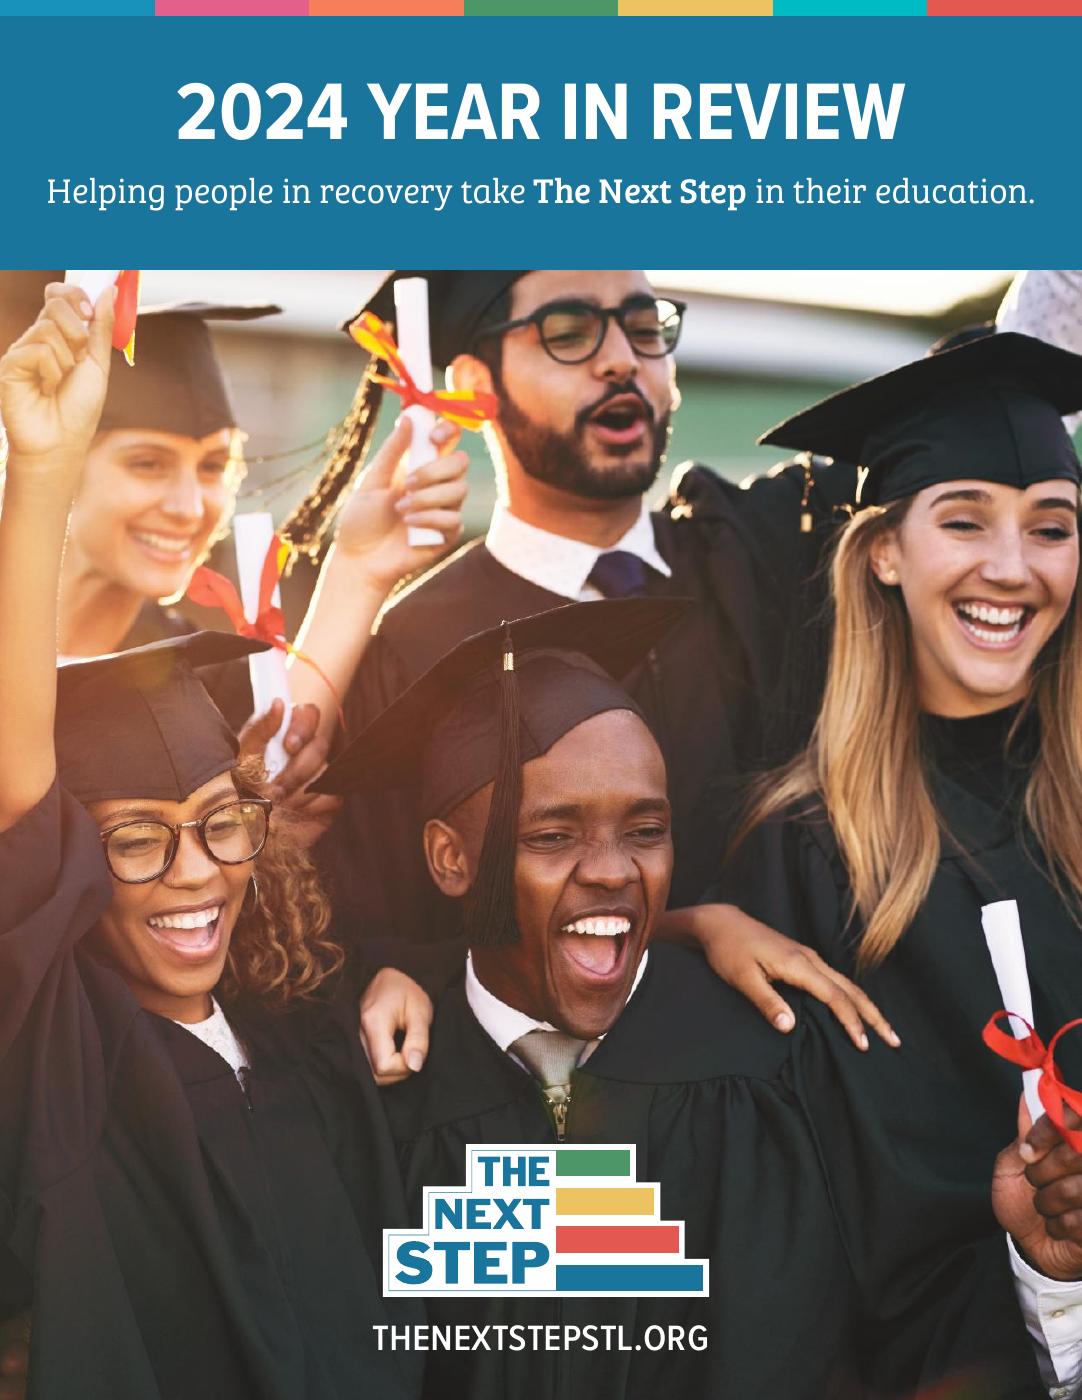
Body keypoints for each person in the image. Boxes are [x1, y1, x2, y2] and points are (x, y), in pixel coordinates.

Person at [313, 598, 1080, 1400]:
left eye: (646, 830)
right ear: (447, 860)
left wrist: (1042, 1274)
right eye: (552, 836)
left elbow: (928, 1323)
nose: (613, 871)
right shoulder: (379, 1098)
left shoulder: (788, 1058)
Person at [0, 281, 470, 1398]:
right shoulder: (71, 1043)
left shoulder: (184, 663)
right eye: (148, 459)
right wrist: (43, 470)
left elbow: (273, 762)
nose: (190, 500)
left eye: (215, 461)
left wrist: (356, 568)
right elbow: (22, 802)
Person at [305, 269, 892, 1084]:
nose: (622, 360)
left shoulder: (756, 561)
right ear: (474, 387)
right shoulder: (417, 642)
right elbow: (388, 923)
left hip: (791, 1099)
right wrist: (686, 926)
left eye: (644, 328)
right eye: (570, 331)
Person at [720, 330, 1082, 1397]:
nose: (1009, 567)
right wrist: (1045, 1276)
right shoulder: (806, 856)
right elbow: (848, 1245)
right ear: (882, 550)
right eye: (961, 518)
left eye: (1050, 527)